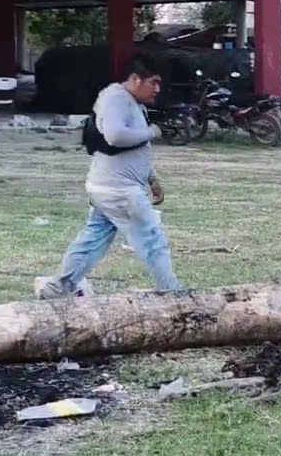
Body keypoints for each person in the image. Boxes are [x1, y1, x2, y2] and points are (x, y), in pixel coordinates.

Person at [37, 53, 182, 298]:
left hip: (109, 188)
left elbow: (134, 147)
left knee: (91, 241)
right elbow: (115, 136)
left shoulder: (131, 102)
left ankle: (57, 289)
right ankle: (172, 293)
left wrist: (152, 178)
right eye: (153, 82)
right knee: (153, 241)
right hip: (119, 190)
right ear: (135, 79)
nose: (158, 89)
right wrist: (152, 132)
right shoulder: (115, 98)